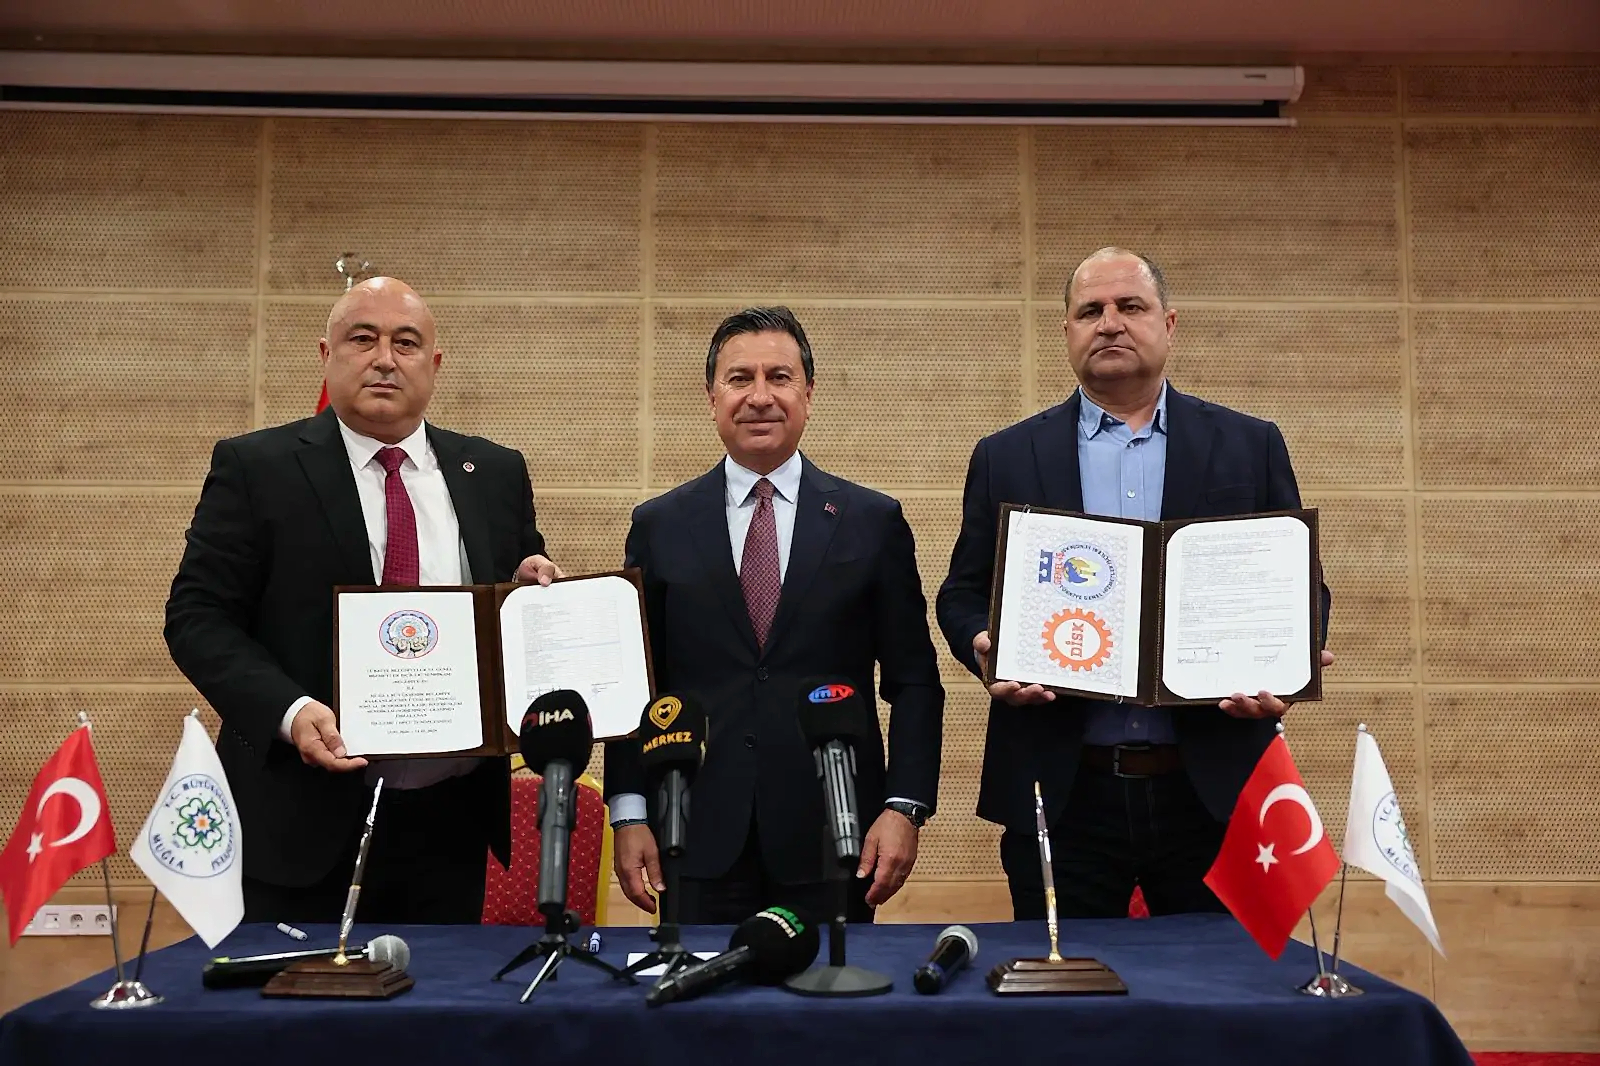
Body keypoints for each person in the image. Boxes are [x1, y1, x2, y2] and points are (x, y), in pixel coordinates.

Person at [936, 248, 1334, 920]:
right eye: (1090, 310)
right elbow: (963, 592)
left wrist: (1286, 664)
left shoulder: (1250, 444)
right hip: (1063, 791)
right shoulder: (1006, 455)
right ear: (1067, 330)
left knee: (1214, 980)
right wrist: (983, 645)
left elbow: (1300, 585)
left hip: (1212, 791)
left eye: (1130, 306)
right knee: (1065, 980)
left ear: (1169, 324)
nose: (1110, 323)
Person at [164, 277, 561, 924]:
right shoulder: (257, 467)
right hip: (299, 818)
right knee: (294, 992)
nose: (384, 359)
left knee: (438, 988)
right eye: (362, 339)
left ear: (434, 364)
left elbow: (511, 597)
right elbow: (197, 618)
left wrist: (530, 596)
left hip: (450, 825)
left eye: (406, 343)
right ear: (327, 354)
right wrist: (290, 711)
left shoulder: (494, 473)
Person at [604, 307, 944, 924]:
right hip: (693, 832)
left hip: (835, 833)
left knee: (830, 985)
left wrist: (904, 807)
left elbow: (914, 681)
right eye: (740, 379)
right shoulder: (660, 524)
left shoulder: (872, 521)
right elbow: (637, 683)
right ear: (712, 397)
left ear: (808, 394)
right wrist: (628, 812)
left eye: (779, 377)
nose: (759, 396)